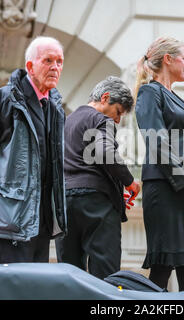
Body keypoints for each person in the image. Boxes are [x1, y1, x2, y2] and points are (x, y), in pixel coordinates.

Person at [0, 36, 66, 264]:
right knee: (9, 292)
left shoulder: (55, 108)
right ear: (30, 66)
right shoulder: (3, 100)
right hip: (11, 221)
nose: (55, 67)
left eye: (59, 61)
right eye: (48, 60)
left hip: (43, 223)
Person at [134, 37, 184, 291]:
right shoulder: (149, 93)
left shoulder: (178, 100)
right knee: (162, 269)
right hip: (166, 190)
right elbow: (157, 144)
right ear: (168, 59)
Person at [55, 76, 141, 280]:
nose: (118, 120)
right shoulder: (100, 120)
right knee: (106, 274)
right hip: (96, 204)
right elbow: (105, 152)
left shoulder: (66, 121)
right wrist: (129, 182)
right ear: (105, 98)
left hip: (64, 204)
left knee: (69, 275)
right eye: (118, 112)